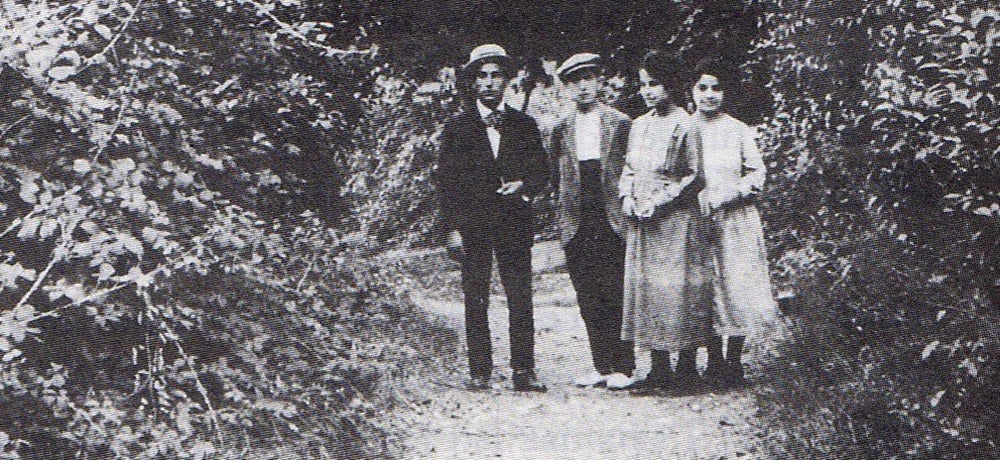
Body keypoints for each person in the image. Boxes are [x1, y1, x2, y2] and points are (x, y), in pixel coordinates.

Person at [434, 44, 549, 392]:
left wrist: (523, 186)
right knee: (476, 296)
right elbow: (446, 182)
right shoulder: (457, 128)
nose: (488, 83)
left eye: (495, 75)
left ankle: (524, 370)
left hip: (514, 223)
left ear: (506, 80)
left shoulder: (524, 124)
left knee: (519, 296)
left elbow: (543, 172)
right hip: (472, 226)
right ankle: (479, 370)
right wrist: (452, 229)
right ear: (471, 83)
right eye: (481, 76)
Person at [619, 51, 715, 395]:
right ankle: (658, 367)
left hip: (675, 220)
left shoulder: (686, 124)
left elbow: (694, 176)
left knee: (679, 289)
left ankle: (686, 367)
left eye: (655, 83)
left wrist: (660, 201)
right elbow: (629, 169)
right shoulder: (639, 124)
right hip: (643, 220)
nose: (648, 91)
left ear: (671, 84)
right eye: (643, 85)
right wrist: (628, 198)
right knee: (649, 290)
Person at [688, 56, 778, 389]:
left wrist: (730, 193)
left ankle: (734, 359)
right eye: (702, 87)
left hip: (734, 218)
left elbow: (757, 173)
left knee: (735, 284)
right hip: (696, 219)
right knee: (705, 285)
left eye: (717, 88)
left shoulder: (737, 130)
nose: (709, 95)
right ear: (691, 90)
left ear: (726, 93)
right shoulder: (685, 128)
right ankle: (711, 357)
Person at [550, 53, 635, 389]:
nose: (582, 86)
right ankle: (600, 364)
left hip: (611, 217)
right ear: (567, 87)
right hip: (577, 219)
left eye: (588, 78)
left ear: (600, 81)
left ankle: (623, 366)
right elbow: (554, 176)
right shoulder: (560, 127)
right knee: (587, 292)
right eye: (574, 80)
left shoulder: (620, 123)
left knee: (616, 289)